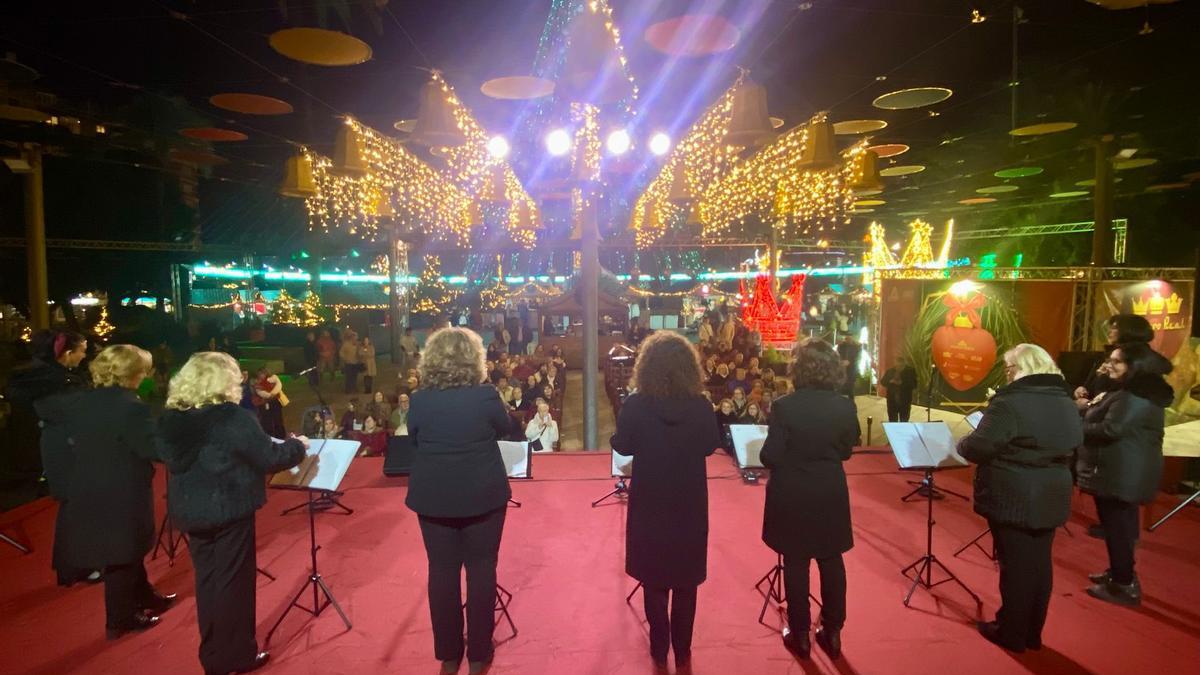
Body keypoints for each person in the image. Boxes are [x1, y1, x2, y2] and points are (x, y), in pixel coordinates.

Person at [158, 351, 307, 674]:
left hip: (193, 510)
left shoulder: (173, 419)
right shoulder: (231, 417)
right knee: (234, 583)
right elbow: (270, 458)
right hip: (228, 507)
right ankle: (238, 654)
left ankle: (213, 655)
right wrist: (298, 446)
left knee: (208, 582)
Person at [37, 345, 171, 639]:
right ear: (133, 373)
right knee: (122, 552)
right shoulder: (131, 407)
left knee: (126, 548)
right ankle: (120, 618)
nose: (146, 375)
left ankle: (145, 596)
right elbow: (151, 448)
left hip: (89, 482)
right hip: (120, 486)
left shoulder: (82, 400)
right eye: (144, 370)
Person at [957, 344, 1083, 652]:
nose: (1007, 374)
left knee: (1015, 566)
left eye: (1009, 368)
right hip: (1054, 487)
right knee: (1040, 564)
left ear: (1022, 368)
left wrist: (963, 442)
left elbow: (979, 447)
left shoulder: (1010, 402)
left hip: (1015, 492)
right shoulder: (1065, 399)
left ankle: (1011, 632)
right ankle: (1031, 633)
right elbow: (1076, 439)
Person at [611, 331, 720, 670]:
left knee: (654, 576)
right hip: (689, 499)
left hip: (651, 499)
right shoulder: (700, 405)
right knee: (686, 579)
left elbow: (622, 445)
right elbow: (710, 445)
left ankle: (659, 646)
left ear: (648, 367)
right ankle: (682, 648)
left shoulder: (637, 404)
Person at [406, 328, 512, 674]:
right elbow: (505, 428)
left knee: (441, 570)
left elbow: (415, 438)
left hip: (434, 495)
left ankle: (449, 656)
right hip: (482, 493)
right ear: (473, 360)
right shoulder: (486, 396)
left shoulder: (420, 399)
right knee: (482, 568)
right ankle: (479, 653)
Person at [761, 339, 860, 659]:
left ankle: (800, 634)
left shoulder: (785, 406)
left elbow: (770, 456)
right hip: (829, 490)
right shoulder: (845, 405)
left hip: (793, 491)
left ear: (799, 368)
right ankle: (832, 632)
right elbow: (846, 450)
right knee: (831, 559)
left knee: (796, 560)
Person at [1077, 342, 1173, 607]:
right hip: (1123, 470)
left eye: (1116, 361)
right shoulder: (1132, 392)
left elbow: (1111, 429)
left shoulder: (1134, 396)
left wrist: (1077, 422)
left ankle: (1123, 584)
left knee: (1118, 529)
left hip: (1121, 472)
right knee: (1121, 528)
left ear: (1135, 367)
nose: (1109, 365)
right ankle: (1121, 573)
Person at [10, 331, 93, 586]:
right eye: (82, 350)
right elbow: (75, 413)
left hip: (60, 444)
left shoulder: (49, 378)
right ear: (67, 353)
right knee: (75, 506)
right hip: (66, 447)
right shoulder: (56, 382)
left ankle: (73, 566)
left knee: (74, 506)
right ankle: (78, 566)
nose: (84, 355)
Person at [1074, 314, 1154, 407]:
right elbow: (1098, 390)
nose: (1109, 331)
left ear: (1129, 331)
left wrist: (1089, 405)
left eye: (1114, 328)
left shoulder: (1140, 359)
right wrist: (1084, 390)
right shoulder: (1107, 355)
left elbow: (1122, 396)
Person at [252, 368, 287, 438]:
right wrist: (270, 395)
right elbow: (259, 392)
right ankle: (270, 436)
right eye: (259, 374)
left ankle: (281, 435)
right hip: (264, 404)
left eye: (262, 374)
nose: (260, 376)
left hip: (275, 402)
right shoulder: (257, 383)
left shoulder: (273, 378)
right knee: (267, 421)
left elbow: (279, 386)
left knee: (278, 420)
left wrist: (272, 394)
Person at [882, 355, 917, 422]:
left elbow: (914, 385)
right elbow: (883, 382)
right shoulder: (890, 371)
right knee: (892, 421)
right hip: (892, 401)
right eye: (897, 366)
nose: (898, 368)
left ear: (904, 364)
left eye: (901, 366)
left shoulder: (910, 371)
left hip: (905, 401)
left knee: (904, 421)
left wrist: (902, 383)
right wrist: (890, 381)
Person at [836, 335, 861, 400]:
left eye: (850, 337)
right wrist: (841, 361)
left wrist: (850, 361)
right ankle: (840, 399)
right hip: (842, 367)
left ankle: (851, 399)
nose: (848, 338)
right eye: (847, 337)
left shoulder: (857, 346)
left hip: (852, 368)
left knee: (851, 384)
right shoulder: (841, 345)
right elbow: (838, 354)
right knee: (841, 383)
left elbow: (858, 357)